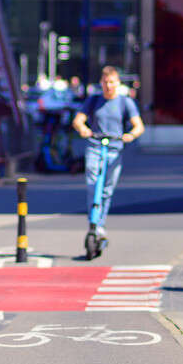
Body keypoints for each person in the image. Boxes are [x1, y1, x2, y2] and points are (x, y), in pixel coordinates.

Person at [71, 66, 144, 240]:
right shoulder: (94, 100)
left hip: (114, 148)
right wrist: (83, 129)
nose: (109, 86)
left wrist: (130, 135)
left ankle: (100, 223)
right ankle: (93, 222)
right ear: (101, 83)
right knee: (93, 185)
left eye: (112, 82)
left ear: (117, 83)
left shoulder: (125, 102)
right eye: (105, 82)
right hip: (95, 146)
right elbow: (78, 120)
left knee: (107, 190)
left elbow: (139, 126)